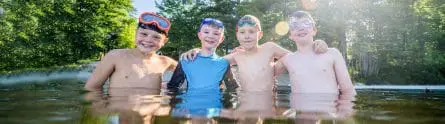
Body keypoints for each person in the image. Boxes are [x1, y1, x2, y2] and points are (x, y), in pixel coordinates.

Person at [181, 15, 328, 92]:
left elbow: (298, 57)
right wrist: (196, 50)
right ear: (237, 35)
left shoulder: (269, 48)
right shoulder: (236, 56)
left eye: (251, 32)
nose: (247, 36)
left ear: (260, 34)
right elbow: (212, 61)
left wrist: (315, 44)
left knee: (288, 58)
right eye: (242, 32)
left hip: (269, 98)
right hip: (244, 98)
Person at [84, 12, 177, 92]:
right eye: (144, 34)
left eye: (156, 37)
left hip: (152, 111)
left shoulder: (166, 62)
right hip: (121, 110)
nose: (148, 40)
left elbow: (188, 67)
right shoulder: (115, 56)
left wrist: (191, 52)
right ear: (135, 34)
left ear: (164, 41)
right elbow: (91, 89)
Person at [276, 11, 356, 95]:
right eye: (295, 26)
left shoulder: (332, 54)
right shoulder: (288, 59)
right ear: (290, 35)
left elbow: (348, 90)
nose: (301, 28)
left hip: (328, 107)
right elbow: (264, 70)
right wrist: (271, 47)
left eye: (306, 23)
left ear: (314, 30)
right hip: (300, 108)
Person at [167, 18, 238, 92]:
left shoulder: (224, 64)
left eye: (216, 33)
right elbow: (172, 88)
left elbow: (233, 89)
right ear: (199, 35)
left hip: (216, 103)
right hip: (190, 103)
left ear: (222, 39)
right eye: (206, 32)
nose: (210, 36)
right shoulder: (185, 60)